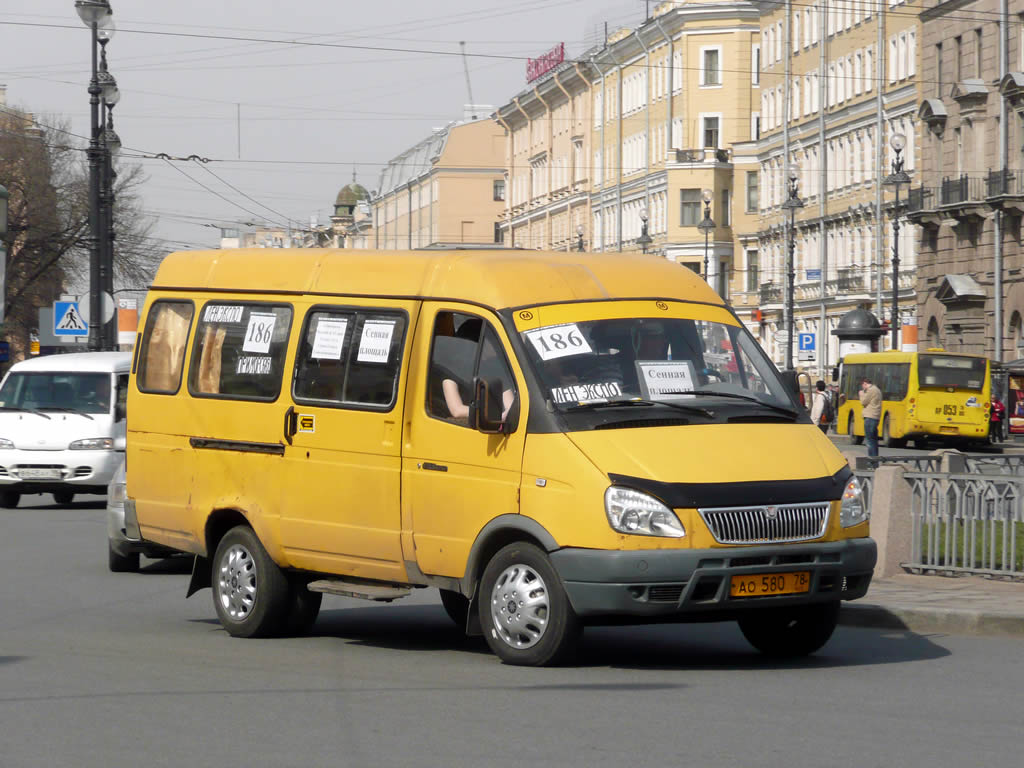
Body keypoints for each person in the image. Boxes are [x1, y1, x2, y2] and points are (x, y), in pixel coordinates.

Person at [859, 376, 882, 458]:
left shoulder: (871, 390)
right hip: (875, 417)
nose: (863, 388)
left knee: (869, 440)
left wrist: (861, 394)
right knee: (874, 440)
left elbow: (863, 402)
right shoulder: (877, 390)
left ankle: (872, 460)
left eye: (863, 385)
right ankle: (875, 459)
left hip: (870, 417)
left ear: (865, 383)